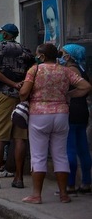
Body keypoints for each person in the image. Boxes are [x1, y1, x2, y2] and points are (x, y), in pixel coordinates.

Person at [18, 43, 91, 204]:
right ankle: (64, 194)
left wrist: (26, 93)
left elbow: (23, 93)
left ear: (42, 56)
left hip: (39, 115)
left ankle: (36, 195)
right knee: (60, 155)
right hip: (61, 115)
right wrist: (68, 95)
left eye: (38, 54)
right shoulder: (65, 71)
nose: (36, 57)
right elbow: (86, 86)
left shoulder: (35, 70)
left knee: (38, 155)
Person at [0, 24, 34, 189]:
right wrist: (22, 85)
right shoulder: (26, 50)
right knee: (20, 138)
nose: (1, 35)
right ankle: (18, 178)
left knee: (0, 137)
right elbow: (33, 70)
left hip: (5, 95)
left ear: (5, 34)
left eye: (2, 32)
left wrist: (12, 84)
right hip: (22, 97)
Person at [60, 44, 92, 194]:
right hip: (82, 111)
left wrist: (69, 95)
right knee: (83, 148)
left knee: (70, 149)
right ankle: (86, 182)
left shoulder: (71, 70)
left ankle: (70, 184)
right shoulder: (83, 69)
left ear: (69, 56)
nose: (61, 56)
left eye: (63, 53)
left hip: (72, 110)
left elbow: (79, 88)